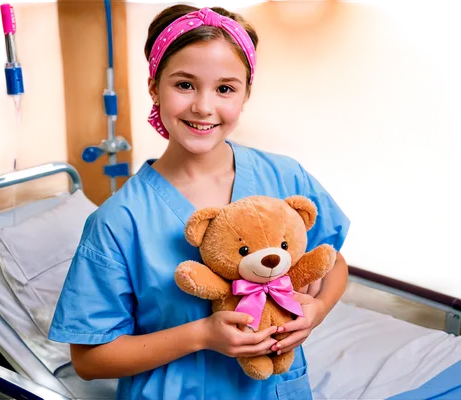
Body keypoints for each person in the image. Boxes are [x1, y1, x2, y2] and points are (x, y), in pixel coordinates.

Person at [48, 4, 350, 400]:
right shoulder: (120, 221)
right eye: (184, 84)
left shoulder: (284, 176)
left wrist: (318, 310)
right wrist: (202, 335)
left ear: (245, 96)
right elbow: (89, 360)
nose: (203, 107)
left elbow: (334, 261)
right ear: (155, 88)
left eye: (225, 88)